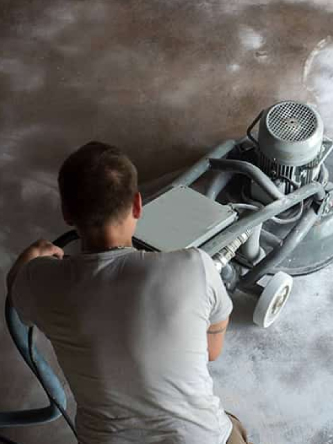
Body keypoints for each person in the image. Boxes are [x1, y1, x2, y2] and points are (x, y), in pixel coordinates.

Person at [7, 141, 251, 444]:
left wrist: (33, 255)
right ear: (137, 205)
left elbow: (16, 290)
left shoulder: (43, 284)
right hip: (200, 438)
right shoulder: (195, 268)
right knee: (231, 425)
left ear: (67, 214)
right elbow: (212, 352)